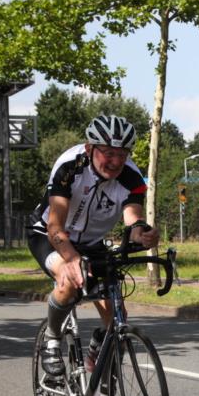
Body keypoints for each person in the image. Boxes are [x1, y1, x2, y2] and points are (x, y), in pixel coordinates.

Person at [27, 114, 159, 378]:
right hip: (48, 235)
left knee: (116, 312)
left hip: (91, 242)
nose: (116, 161)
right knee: (68, 280)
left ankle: (104, 381)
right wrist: (71, 258)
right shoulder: (69, 166)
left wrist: (140, 233)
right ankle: (52, 339)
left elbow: (132, 216)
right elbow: (55, 227)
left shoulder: (131, 177)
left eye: (122, 154)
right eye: (108, 153)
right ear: (90, 149)